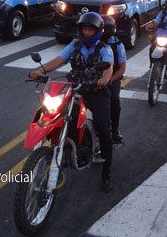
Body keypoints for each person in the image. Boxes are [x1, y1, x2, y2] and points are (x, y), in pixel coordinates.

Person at [28, 12, 115, 192]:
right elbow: (58, 60)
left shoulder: (104, 48)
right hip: (73, 88)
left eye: (90, 29)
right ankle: (67, 145)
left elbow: (108, 67)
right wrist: (40, 70)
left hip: (95, 91)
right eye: (84, 29)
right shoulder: (74, 45)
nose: (87, 32)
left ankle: (106, 173)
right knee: (54, 113)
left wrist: (104, 79)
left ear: (98, 31)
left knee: (104, 128)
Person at [101, 14, 126, 144]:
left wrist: (110, 80)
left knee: (114, 100)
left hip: (112, 78)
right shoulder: (91, 42)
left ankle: (114, 130)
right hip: (93, 78)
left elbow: (122, 68)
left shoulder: (117, 45)